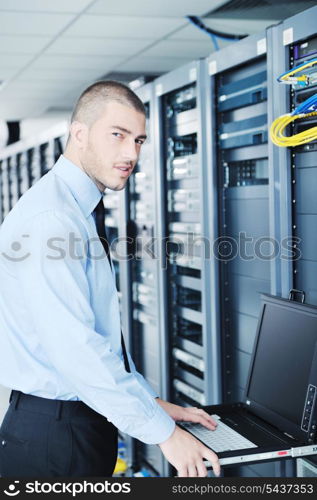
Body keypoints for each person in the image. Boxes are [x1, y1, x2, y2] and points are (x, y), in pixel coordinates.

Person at [0, 81, 220, 478]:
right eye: (117, 135)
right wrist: (165, 435)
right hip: (55, 437)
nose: (130, 153)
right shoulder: (54, 220)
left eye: (138, 140)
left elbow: (99, 337)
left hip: (72, 423)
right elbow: (76, 349)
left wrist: (152, 403)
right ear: (79, 134)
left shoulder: (74, 211)